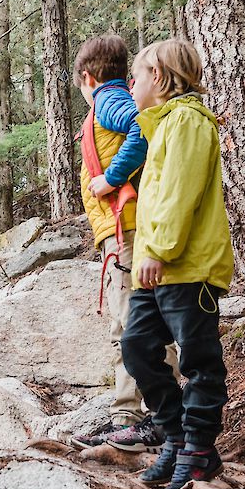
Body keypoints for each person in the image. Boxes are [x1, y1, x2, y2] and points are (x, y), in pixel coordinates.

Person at [118, 40, 236, 489]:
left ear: (161, 78)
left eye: (138, 74)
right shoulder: (164, 125)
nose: (132, 84)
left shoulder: (187, 120)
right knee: (137, 346)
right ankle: (175, 435)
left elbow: (179, 194)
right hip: (159, 267)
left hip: (185, 266)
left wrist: (158, 250)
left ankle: (200, 448)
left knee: (198, 359)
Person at [64, 34, 167, 455]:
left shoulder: (109, 100)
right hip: (117, 233)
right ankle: (127, 416)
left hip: (127, 230)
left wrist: (110, 177)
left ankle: (159, 415)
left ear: (87, 78)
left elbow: (140, 132)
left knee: (138, 323)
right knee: (126, 325)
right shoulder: (112, 97)